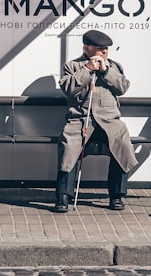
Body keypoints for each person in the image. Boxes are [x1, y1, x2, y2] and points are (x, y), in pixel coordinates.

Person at [54, 30, 139, 213]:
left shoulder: (114, 66)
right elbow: (68, 89)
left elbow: (123, 87)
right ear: (87, 48)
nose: (103, 52)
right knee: (69, 147)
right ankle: (63, 196)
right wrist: (87, 70)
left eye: (106, 49)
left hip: (109, 121)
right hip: (80, 119)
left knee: (123, 145)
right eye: (99, 49)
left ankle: (117, 196)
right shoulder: (73, 66)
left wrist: (105, 71)